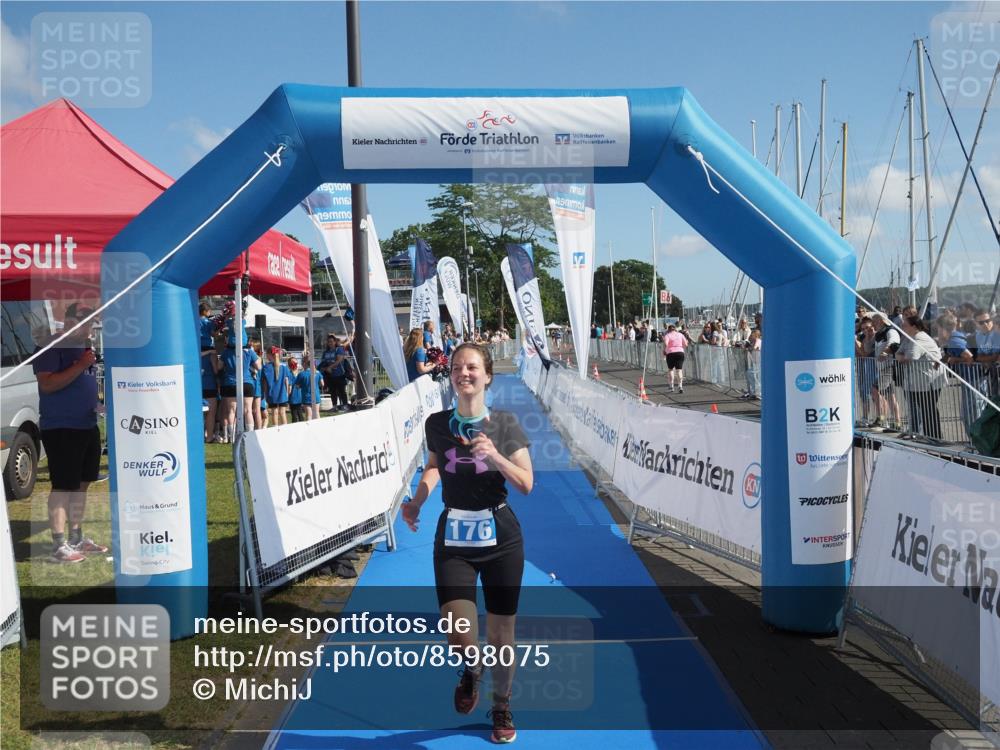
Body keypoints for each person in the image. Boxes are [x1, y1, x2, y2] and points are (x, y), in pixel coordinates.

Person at [402, 343, 534, 744]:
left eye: (472, 367)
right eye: (458, 367)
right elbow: (433, 467)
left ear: (487, 375)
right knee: (457, 629)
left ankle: (501, 704)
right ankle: (473, 667)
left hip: (501, 536)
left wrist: (496, 455)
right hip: (454, 535)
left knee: (501, 633)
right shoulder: (437, 424)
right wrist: (418, 500)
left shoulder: (505, 424)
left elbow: (526, 483)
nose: (464, 373)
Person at [33, 303, 109, 563]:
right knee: (63, 485)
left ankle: (76, 537)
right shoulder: (52, 346)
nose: (88, 326)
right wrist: (81, 365)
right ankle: (58, 544)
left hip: (87, 424)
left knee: (82, 485)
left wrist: (96, 403)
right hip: (61, 427)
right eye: (84, 320)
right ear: (67, 320)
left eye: (91, 321)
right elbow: (47, 383)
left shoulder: (84, 347)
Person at [896, 314, 946, 439]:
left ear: (913, 326)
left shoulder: (920, 338)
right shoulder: (908, 338)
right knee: (925, 409)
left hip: (929, 381)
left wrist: (902, 357)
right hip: (918, 382)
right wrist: (901, 357)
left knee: (928, 409)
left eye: (904, 325)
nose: (902, 327)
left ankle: (934, 437)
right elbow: (898, 353)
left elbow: (910, 358)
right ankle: (930, 436)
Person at [221, 339, 260, 441]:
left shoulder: (226, 352)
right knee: (248, 410)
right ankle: (250, 435)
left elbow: (219, 366)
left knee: (231, 411)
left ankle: (232, 437)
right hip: (246, 381)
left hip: (230, 383)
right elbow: (258, 366)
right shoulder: (249, 352)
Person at [262, 347, 292, 426]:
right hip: (282, 393)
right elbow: (287, 381)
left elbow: (264, 383)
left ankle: (275, 429)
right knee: (283, 413)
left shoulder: (266, 367)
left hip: (271, 393)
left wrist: (265, 394)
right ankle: (285, 430)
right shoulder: (284, 367)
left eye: (266, 354)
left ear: (269, 355)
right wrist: (288, 392)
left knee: (274, 413)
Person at [661, 324, 688, 394]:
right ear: (675, 329)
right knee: (679, 370)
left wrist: (664, 350)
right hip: (680, 352)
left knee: (670, 369)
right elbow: (686, 344)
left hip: (671, 353)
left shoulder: (667, 335)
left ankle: (671, 386)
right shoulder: (680, 335)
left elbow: (666, 344)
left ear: (668, 330)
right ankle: (680, 386)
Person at [296, 354, 322, 421]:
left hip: (306, 396)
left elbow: (297, 386)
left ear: (304, 363)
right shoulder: (317, 373)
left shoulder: (301, 374)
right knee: (317, 413)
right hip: (316, 396)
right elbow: (322, 384)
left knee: (308, 415)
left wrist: (303, 385)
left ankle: (309, 430)